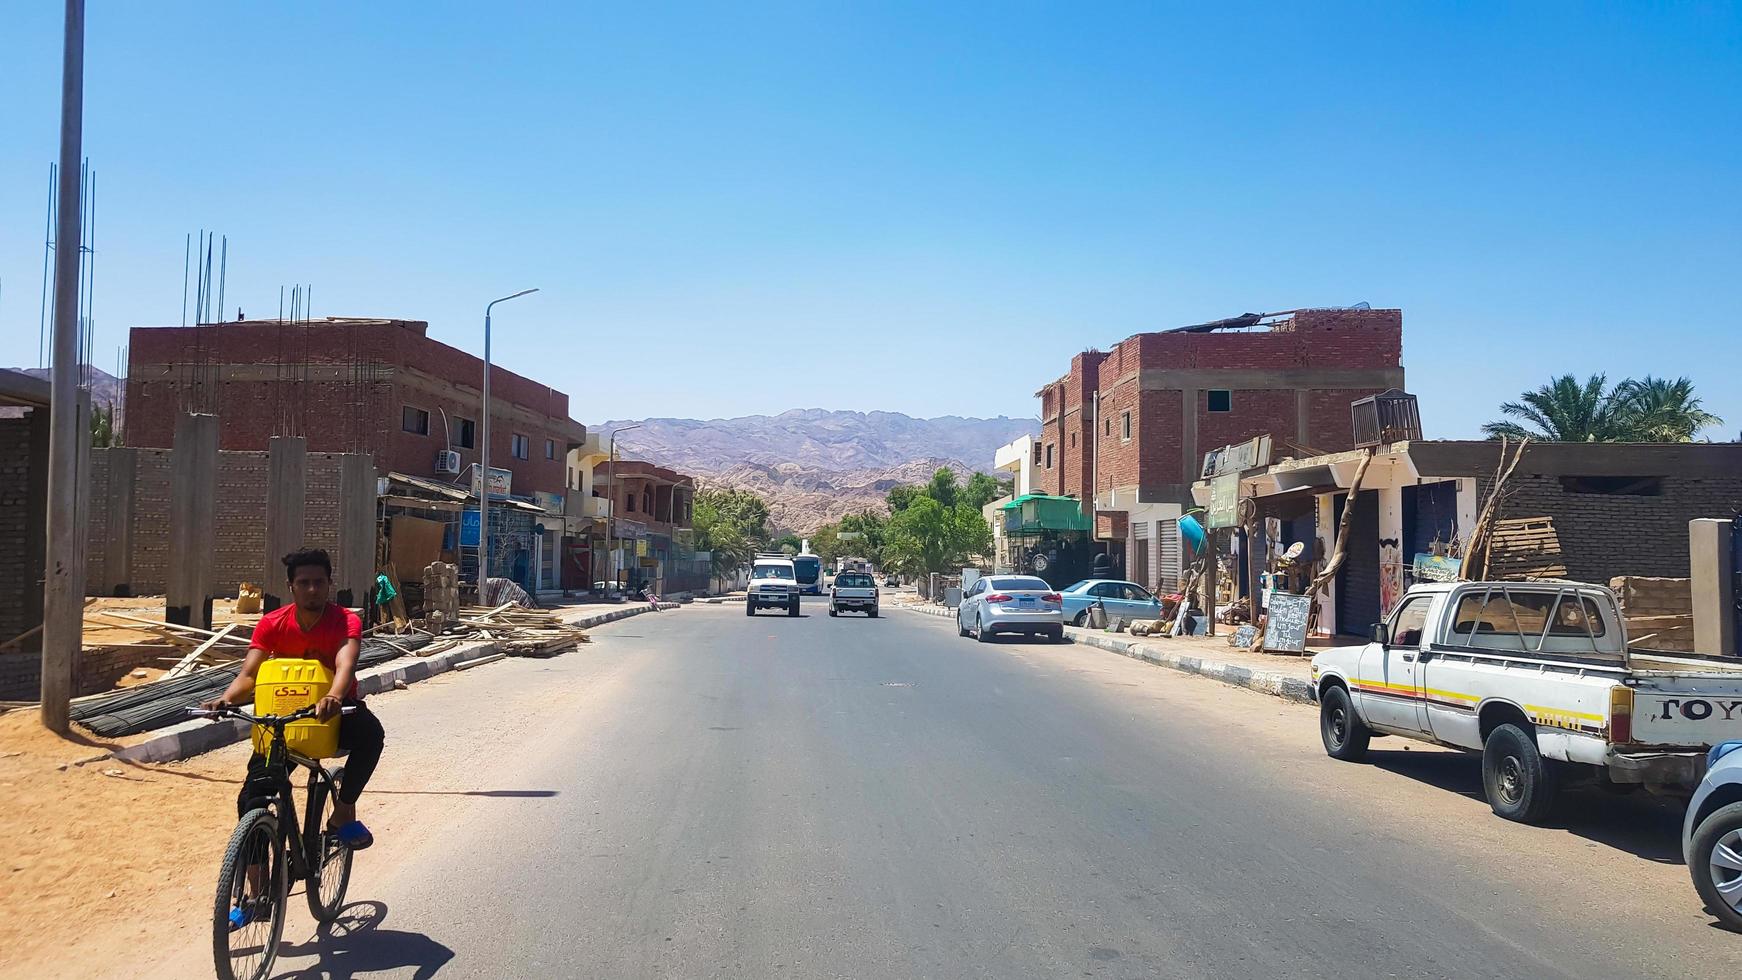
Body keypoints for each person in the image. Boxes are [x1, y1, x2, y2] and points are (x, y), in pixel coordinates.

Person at [203, 547, 384, 850]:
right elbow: (249, 674)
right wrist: (225, 700)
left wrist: (334, 697)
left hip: (335, 714)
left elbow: (345, 664)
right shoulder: (272, 623)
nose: (312, 589)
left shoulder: (344, 621)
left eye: (319, 582)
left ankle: (342, 813)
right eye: (303, 583)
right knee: (252, 798)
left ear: (329, 584)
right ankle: (255, 888)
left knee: (371, 734)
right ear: (291, 587)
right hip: (283, 719)